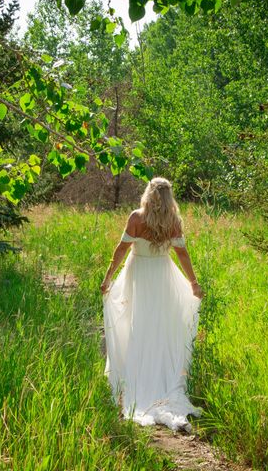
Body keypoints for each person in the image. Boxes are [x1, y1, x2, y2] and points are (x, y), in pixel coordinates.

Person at [100, 177, 204, 432]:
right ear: (169, 197)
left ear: (148, 193)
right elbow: (182, 254)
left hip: (139, 274)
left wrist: (108, 277)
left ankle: (137, 378)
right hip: (162, 274)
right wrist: (193, 283)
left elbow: (122, 249)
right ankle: (159, 377)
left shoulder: (136, 217)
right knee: (161, 325)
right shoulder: (174, 221)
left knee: (137, 322)